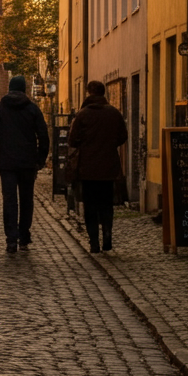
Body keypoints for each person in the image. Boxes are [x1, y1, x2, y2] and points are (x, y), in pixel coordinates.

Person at [0, 76, 50, 253]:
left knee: (10, 200)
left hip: (6, 162)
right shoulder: (32, 109)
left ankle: (11, 239)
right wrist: (40, 160)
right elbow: (43, 137)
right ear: (24, 89)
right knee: (27, 200)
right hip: (28, 162)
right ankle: (24, 236)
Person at [67, 80, 129, 253]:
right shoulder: (114, 113)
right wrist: (109, 145)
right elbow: (123, 136)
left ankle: (94, 242)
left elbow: (72, 140)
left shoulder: (82, 114)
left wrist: (86, 144)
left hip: (87, 168)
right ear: (103, 93)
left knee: (90, 206)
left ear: (89, 93)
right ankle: (107, 235)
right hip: (108, 167)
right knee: (106, 204)